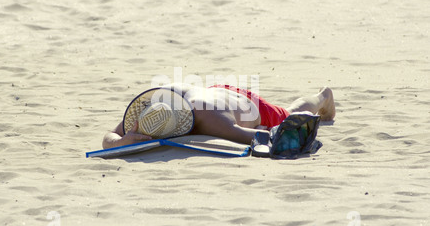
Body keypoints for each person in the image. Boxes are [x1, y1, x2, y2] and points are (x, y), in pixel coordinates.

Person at [102, 84, 335, 149]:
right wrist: (122, 140)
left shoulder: (208, 117)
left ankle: (323, 96)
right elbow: (109, 136)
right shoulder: (153, 109)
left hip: (248, 105)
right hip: (213, 91)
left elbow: (258, 136)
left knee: (289, 113)